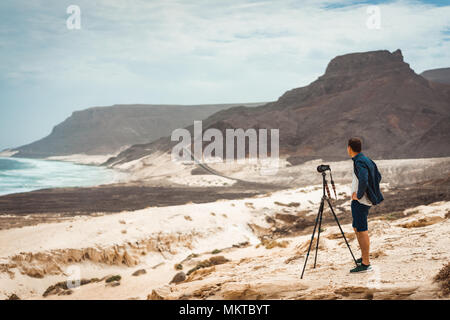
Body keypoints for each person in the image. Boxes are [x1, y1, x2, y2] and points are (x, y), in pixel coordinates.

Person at [347, 137, 384, 273]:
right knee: (357, 227)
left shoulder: (359, 161)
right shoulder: (367, 160)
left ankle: (366, 263)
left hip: (360, 202)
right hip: (363, 201)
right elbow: (378, 176)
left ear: (349, 148)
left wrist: (360, 194)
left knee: (361, 230)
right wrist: (371, 191)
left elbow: (363, 178)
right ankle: (364, 257)